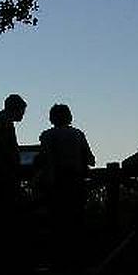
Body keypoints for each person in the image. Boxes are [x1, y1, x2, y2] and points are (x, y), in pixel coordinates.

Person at [36, 104, 95, 263]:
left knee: (57, 222)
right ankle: (78, 259)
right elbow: (91, 160)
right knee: (76, 221)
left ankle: (59, 260)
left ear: (52, 118)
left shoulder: (47, 136)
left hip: (56, 185)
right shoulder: (78, 134)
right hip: (77, 184)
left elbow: (43, 159)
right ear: (69, 117)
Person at [0, 94, 26, 269]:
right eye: (22, 111)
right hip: (3, 174)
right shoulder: (4, 122)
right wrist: (13, 164)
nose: (23, 115)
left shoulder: (1, 120)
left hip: (1, 172)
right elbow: (5, 149)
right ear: (16, 109)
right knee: (7, 211)